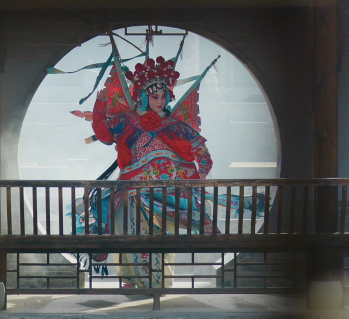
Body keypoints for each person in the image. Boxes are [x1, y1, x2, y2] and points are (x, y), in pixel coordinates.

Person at [71, 55, 264, 288]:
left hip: (169, 193)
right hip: (133, 189)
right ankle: (131, 279)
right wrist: (101, 106)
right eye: (155, 96)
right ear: (144, 96)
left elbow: (200, 148)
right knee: (130, 233)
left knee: (161, 237)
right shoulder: (128, 120)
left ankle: (158, 281)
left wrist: (202, 172)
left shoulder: (174, 124)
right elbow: (104, 135)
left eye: (164, 96)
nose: (160, 101)